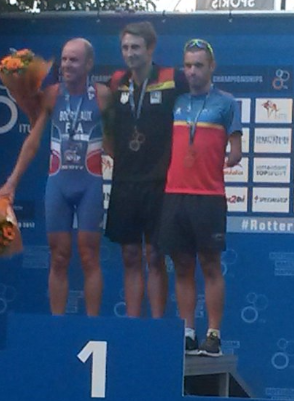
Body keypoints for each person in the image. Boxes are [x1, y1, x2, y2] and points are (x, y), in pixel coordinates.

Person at [0, 38, 112, 317]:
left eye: (74, 60)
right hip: (59, 182)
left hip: (91, 183)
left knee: (89, 255)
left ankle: (92, 326)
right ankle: (57, 324)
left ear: (89, 64)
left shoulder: (102, 95)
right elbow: (33, 141)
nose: (66, 65)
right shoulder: (51, 95)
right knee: (58, 256)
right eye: (64, 59)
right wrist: (12, 181)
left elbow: (113, 144)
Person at [161, 39, 242, 356]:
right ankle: (187, 332)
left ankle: (213, 335)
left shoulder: (226, 102)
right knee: (182, 266)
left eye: (198, 65)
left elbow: (235, 152)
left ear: (211, 67)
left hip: (208, 196)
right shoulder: (176, 101)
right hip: (174, 194)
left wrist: (228, 155)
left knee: (210, 265)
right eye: (188, 65)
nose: (192, 71)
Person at [106, 21, 186, 318]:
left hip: (159, 182)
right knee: (129, 255)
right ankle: (132, 325)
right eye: (125, 47)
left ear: (151, 48)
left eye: (136, 47)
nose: (130, 53)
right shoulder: (117, 82)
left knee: (154, 255)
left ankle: (156, 326)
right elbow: (107, 127)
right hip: (124, 182)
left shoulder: (173, 79)